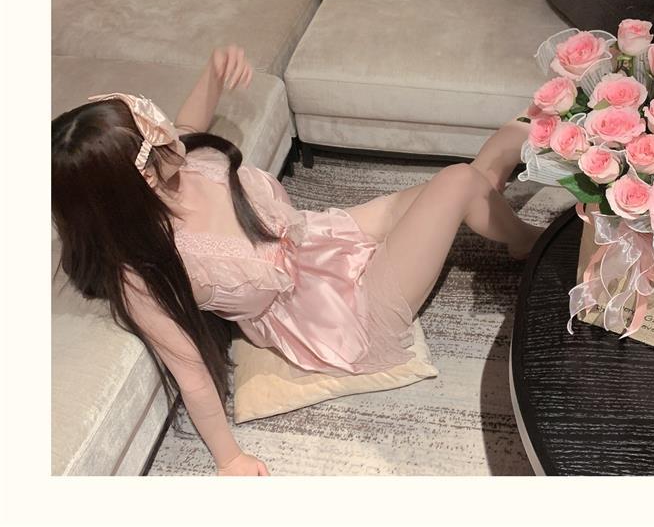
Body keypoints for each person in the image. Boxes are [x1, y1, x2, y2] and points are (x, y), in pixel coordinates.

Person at [51, 44, 541, 476]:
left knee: (481, 166)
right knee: (459, 182)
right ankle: (531, 242)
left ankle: (511, 201)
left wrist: (214, 72)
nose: (168, 131)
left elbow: (188, 124)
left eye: (154, 119)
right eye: (155, 135)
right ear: (135, 182)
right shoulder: (144, 271)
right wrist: (229, 459)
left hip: (323, 240)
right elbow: (190, 373)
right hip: (341, 316)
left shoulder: (180, 159)